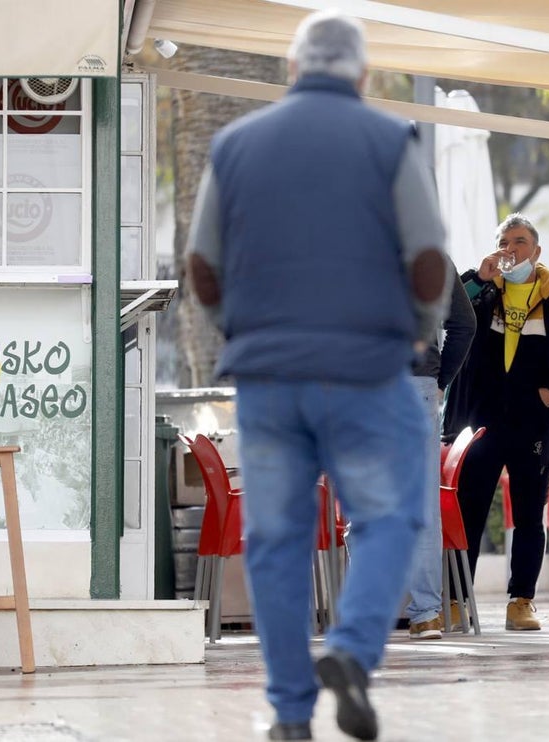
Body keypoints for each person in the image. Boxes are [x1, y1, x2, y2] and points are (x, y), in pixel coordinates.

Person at [185, 9, 451, 741]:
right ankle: (353, 651)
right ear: (362, 75)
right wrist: (418, 331)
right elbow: (429, 259)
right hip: (368, 369)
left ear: (292, 70)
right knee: (391, 514)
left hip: (269, 378)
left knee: (276, 541)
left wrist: (240, 330)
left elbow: (202, 267)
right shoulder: (389, 141)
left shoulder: (233, 146)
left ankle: (292, 716)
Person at [442, 213, 549, 631]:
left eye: (520, 242)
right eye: (505, 242)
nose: (511, 250)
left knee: (530, 515)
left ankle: (521, 601)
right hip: (482, 421)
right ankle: (458, 600)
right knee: (469, 511)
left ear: (537, 250)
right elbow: (449, 315)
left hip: (535, 421)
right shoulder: (481, 290)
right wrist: (478, 277)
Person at [406, 258, 475, 640]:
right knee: (422, 504)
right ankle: (427, 613)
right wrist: (440, 380)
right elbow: (464, 324)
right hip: (417, 386)